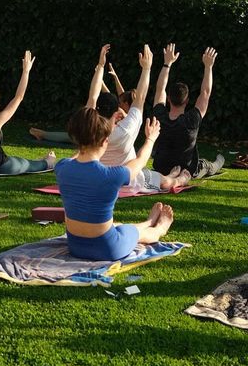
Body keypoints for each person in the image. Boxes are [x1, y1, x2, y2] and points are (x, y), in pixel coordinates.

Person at [55, 106, 174, 261]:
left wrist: (102, 130)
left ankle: (148, 221)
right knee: (135, 233)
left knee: (119, 226)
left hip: (76, 246)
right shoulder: (111, 176)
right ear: (105, 141)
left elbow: (80, 150)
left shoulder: (62, 167)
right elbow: (140, 161)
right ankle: (159, 228)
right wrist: (151, 138)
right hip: (107, 249)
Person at [87, 44, 190, 192]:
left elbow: (93, 96)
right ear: (116, 113)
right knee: (166, 183)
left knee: (153, 175)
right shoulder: (124, 130)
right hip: (129, 178)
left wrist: (101, 65)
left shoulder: (89, 125)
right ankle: (178, 179)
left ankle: (170, 175)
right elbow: (140, 98)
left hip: (102, 177)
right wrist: (146, 68)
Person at [0, 41, 55, 174]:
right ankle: (48, 162)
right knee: (24, 164)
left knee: (19, 161)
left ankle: (42, 161)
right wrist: (26, 71)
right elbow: (18, 97)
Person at [151, 44, 222, 179]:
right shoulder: (191, 120)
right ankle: (219, 160)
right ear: (187, 100)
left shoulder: (160, 116)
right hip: (187, 171)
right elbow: (205, 93)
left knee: (207, 164)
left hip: (161, 168)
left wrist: (167, 64)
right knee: (210, 165)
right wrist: (208, 67)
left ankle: (219, 159)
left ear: (169, 99)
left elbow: (160, 89)